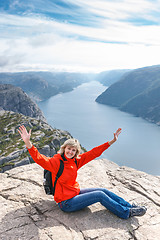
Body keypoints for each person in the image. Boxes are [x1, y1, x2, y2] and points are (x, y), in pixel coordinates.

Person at [18, 125, 147, 219]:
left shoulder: (75, 161)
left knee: (103, 191)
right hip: (66, 203)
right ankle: (126, 213)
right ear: (64, 149)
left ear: (76, 152)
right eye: (69, 149)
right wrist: (28, 143)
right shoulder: (56, 163)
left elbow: (93, 153)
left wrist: (111, 142)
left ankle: (130, 206)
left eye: (73, 150)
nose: (70, 152)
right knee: (99, 195)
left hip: (75, 193)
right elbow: (39, 158)